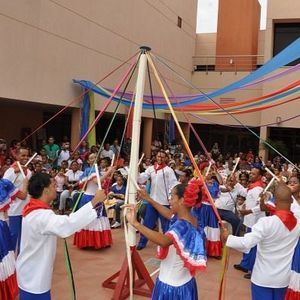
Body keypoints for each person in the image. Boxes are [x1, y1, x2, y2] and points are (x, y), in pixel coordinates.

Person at [16, 173, 107, 300]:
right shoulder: (40, 215)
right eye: (54, 185)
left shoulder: (33, 208)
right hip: (34, 277)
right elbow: (67, 225)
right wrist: (94, 202)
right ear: (45, 189)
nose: (56, 188)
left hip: (30, 271)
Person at [126, 180, 207, 300]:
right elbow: (170, 214)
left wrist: (135, 223)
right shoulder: (192, 219)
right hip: (186, 282)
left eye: (172, 197)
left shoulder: (182, 226)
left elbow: (164, 241)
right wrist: (149, 199)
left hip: (171, 287)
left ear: (182, 200)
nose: (169, 200)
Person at [222, 181, 300, 300]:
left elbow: (246, 243)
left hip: (263, 277)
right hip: (283, 278)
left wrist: (228, 238)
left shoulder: (266, 223)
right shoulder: (298, 223)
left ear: (275, 201)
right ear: (291, 201)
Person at [137, 150, 178, 250]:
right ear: (156, 157)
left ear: (166, 158)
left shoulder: (168, 170)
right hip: (152, 202)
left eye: (162, 157)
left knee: (166, 226)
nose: (160, 158)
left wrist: (170, 197)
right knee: (147, 223)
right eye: (158, 156)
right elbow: (141, 179)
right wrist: (137, 171)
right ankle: (142, 243)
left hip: (164, 203)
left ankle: (169, 244)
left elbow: (173, 184)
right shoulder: (151, 168)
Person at [73, 153, 114, 249]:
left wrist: (110, 173)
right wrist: (108, 172)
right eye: (91, 158)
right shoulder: (89, 170)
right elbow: (97, 181)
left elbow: (101, 182)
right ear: (88, 161)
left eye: (95, 157)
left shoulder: (96, 170)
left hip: (95, 197)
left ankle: (97, 241)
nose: (94, 159)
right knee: (92, 218)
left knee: (98, 217)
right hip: (89, 198)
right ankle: (90, 242)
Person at [234, 168, 265, 278]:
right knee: (248, 244)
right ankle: (245, 264)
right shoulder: (253, 187)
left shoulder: (258, 189)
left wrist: (247, 211)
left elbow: (261, 207)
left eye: (254, 174)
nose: (251, 175)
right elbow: (246, 194)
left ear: (259, 176)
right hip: (250, 220)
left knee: (252, 246)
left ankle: (252, 270)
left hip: (255, 221)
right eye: (250, 173)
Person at [0, 178, 28, 300]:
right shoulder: (3, 183)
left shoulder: (4, 183)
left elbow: (22, 196)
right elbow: (22, 196)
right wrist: (25, 183)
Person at [3, 147, 32, 252]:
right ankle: (12, 260)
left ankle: (21, 258)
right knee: (14, 235)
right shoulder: (10, 171)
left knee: (24, 235)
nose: (25, 157)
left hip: (26, 209)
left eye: (27, 155)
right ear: (16, 156)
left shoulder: (28, 171)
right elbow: (4, 188)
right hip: (14, 210)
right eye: (22, 155)